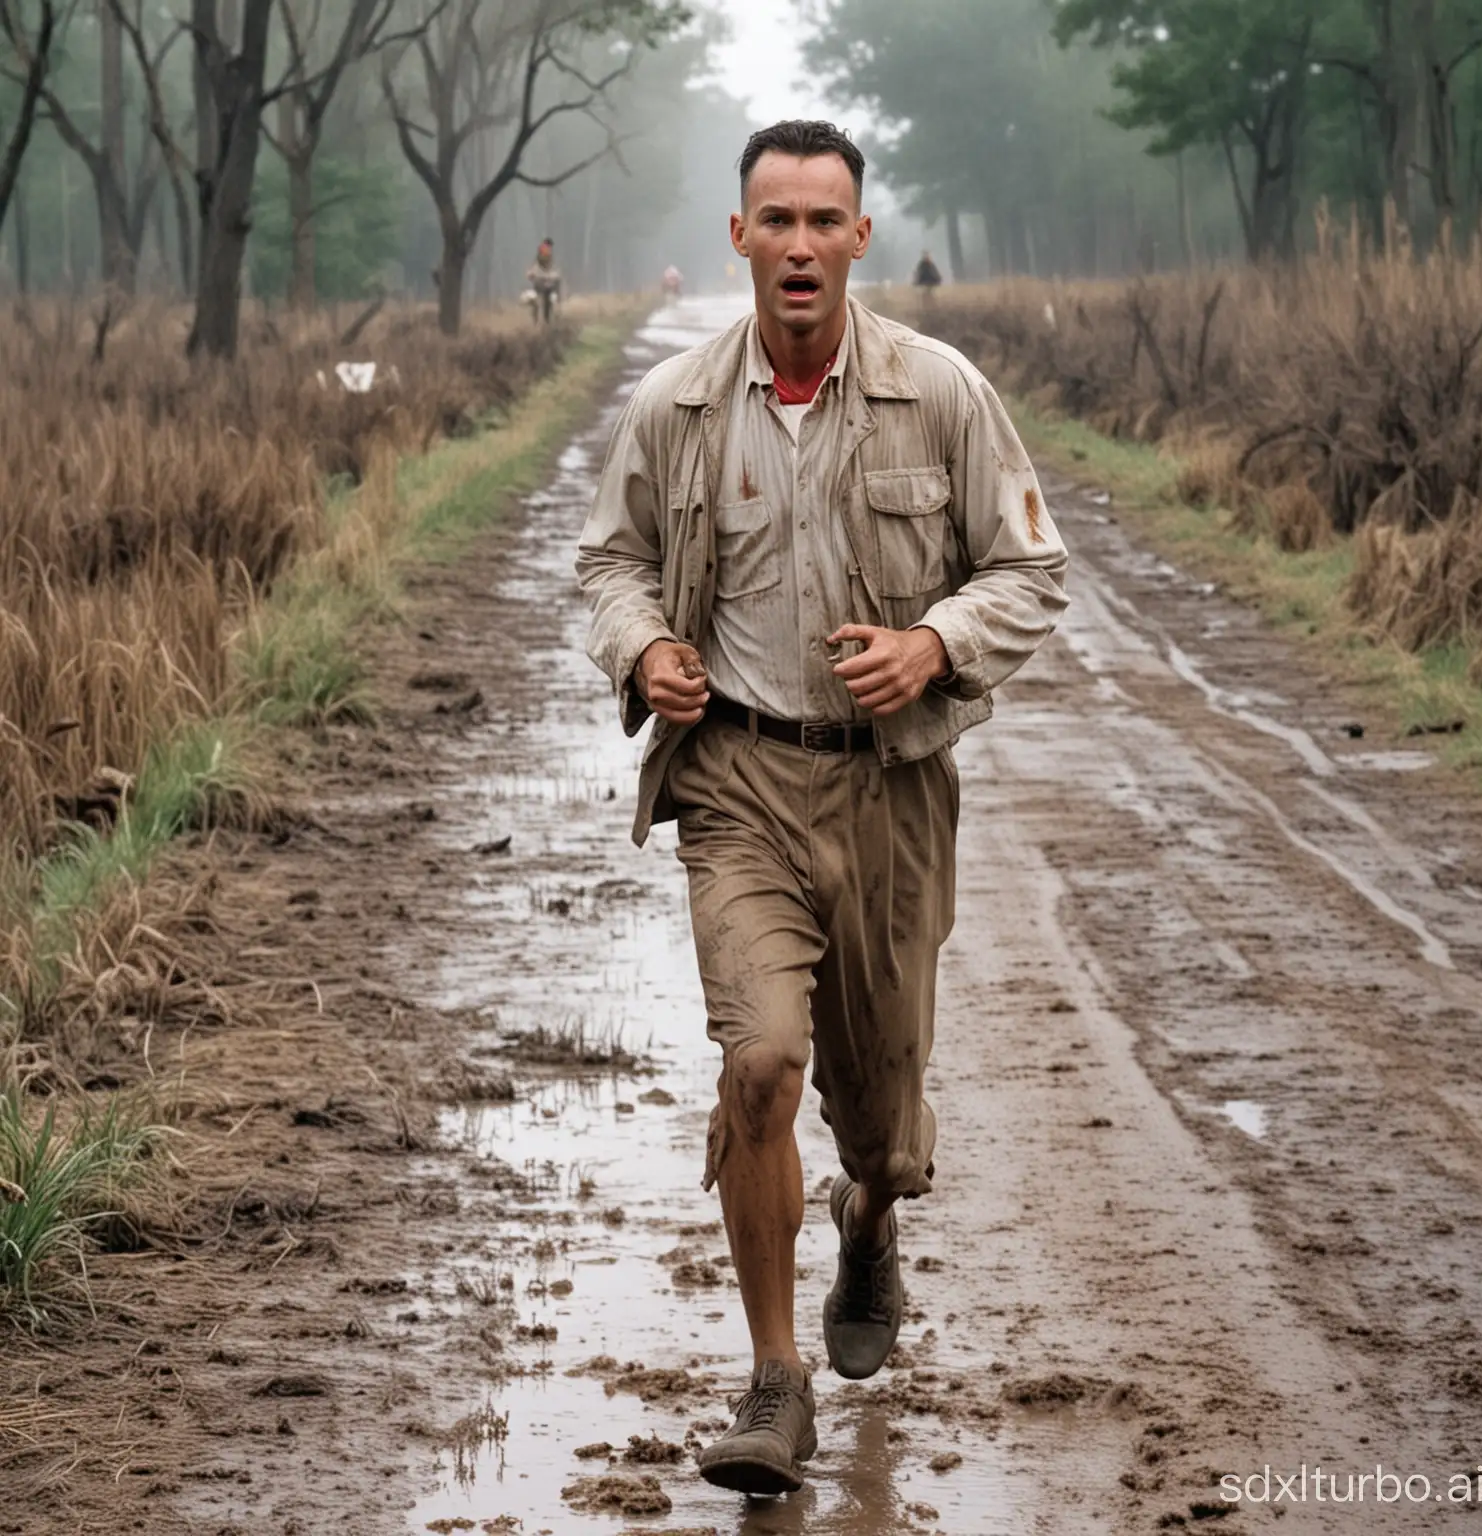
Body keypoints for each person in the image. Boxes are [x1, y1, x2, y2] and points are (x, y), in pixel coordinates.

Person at [576, 120, 1068, 1498]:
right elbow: (608, 560)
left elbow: (1034, 571)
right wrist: (644, 650)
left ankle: (868, 1215)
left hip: (889, 790)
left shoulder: (944, 393)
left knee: (881, 1116)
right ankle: (774, 1381)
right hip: (736, 780)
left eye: (823, 221)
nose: (798, 245)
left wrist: (935, 645)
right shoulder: (675, 406)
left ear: (860, 235)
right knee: (759, 1066)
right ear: (738, 238)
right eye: (774, 220)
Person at [524, 237, 561, 322]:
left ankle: (537, 318)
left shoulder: (541, 252)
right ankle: (545, 318)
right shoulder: (546, 251)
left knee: (539, 300)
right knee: (547, 299)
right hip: (543, 281)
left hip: (539, 280)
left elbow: (540, 265)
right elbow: (546, 264)